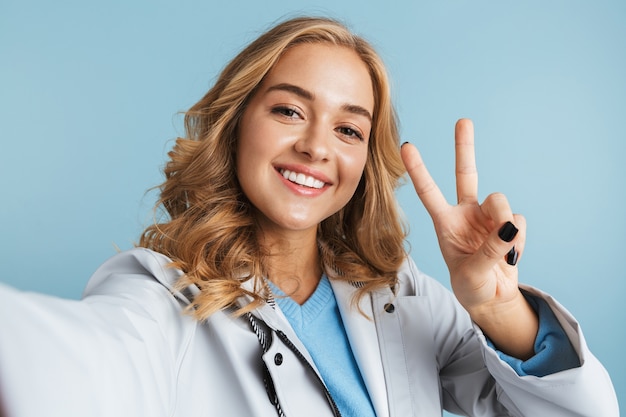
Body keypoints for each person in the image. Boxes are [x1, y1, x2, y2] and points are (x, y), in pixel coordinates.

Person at [0, 16, 619, 417]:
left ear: (364, 160)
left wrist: (495, 308)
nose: (317, 147)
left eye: (348, 128)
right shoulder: (158, 295)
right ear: (236, 123)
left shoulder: (397, 295)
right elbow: (74, 362)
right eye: (290, 111)